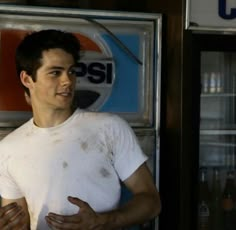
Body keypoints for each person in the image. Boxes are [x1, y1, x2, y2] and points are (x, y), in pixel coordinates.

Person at [0, 29, 161, 229]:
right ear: (27, 79)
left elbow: (151, 202)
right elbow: (18, 222)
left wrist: (103, 221)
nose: (68, 81)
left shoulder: (109, 128)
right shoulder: (8, 149)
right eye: (55, 72)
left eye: (72, 71)